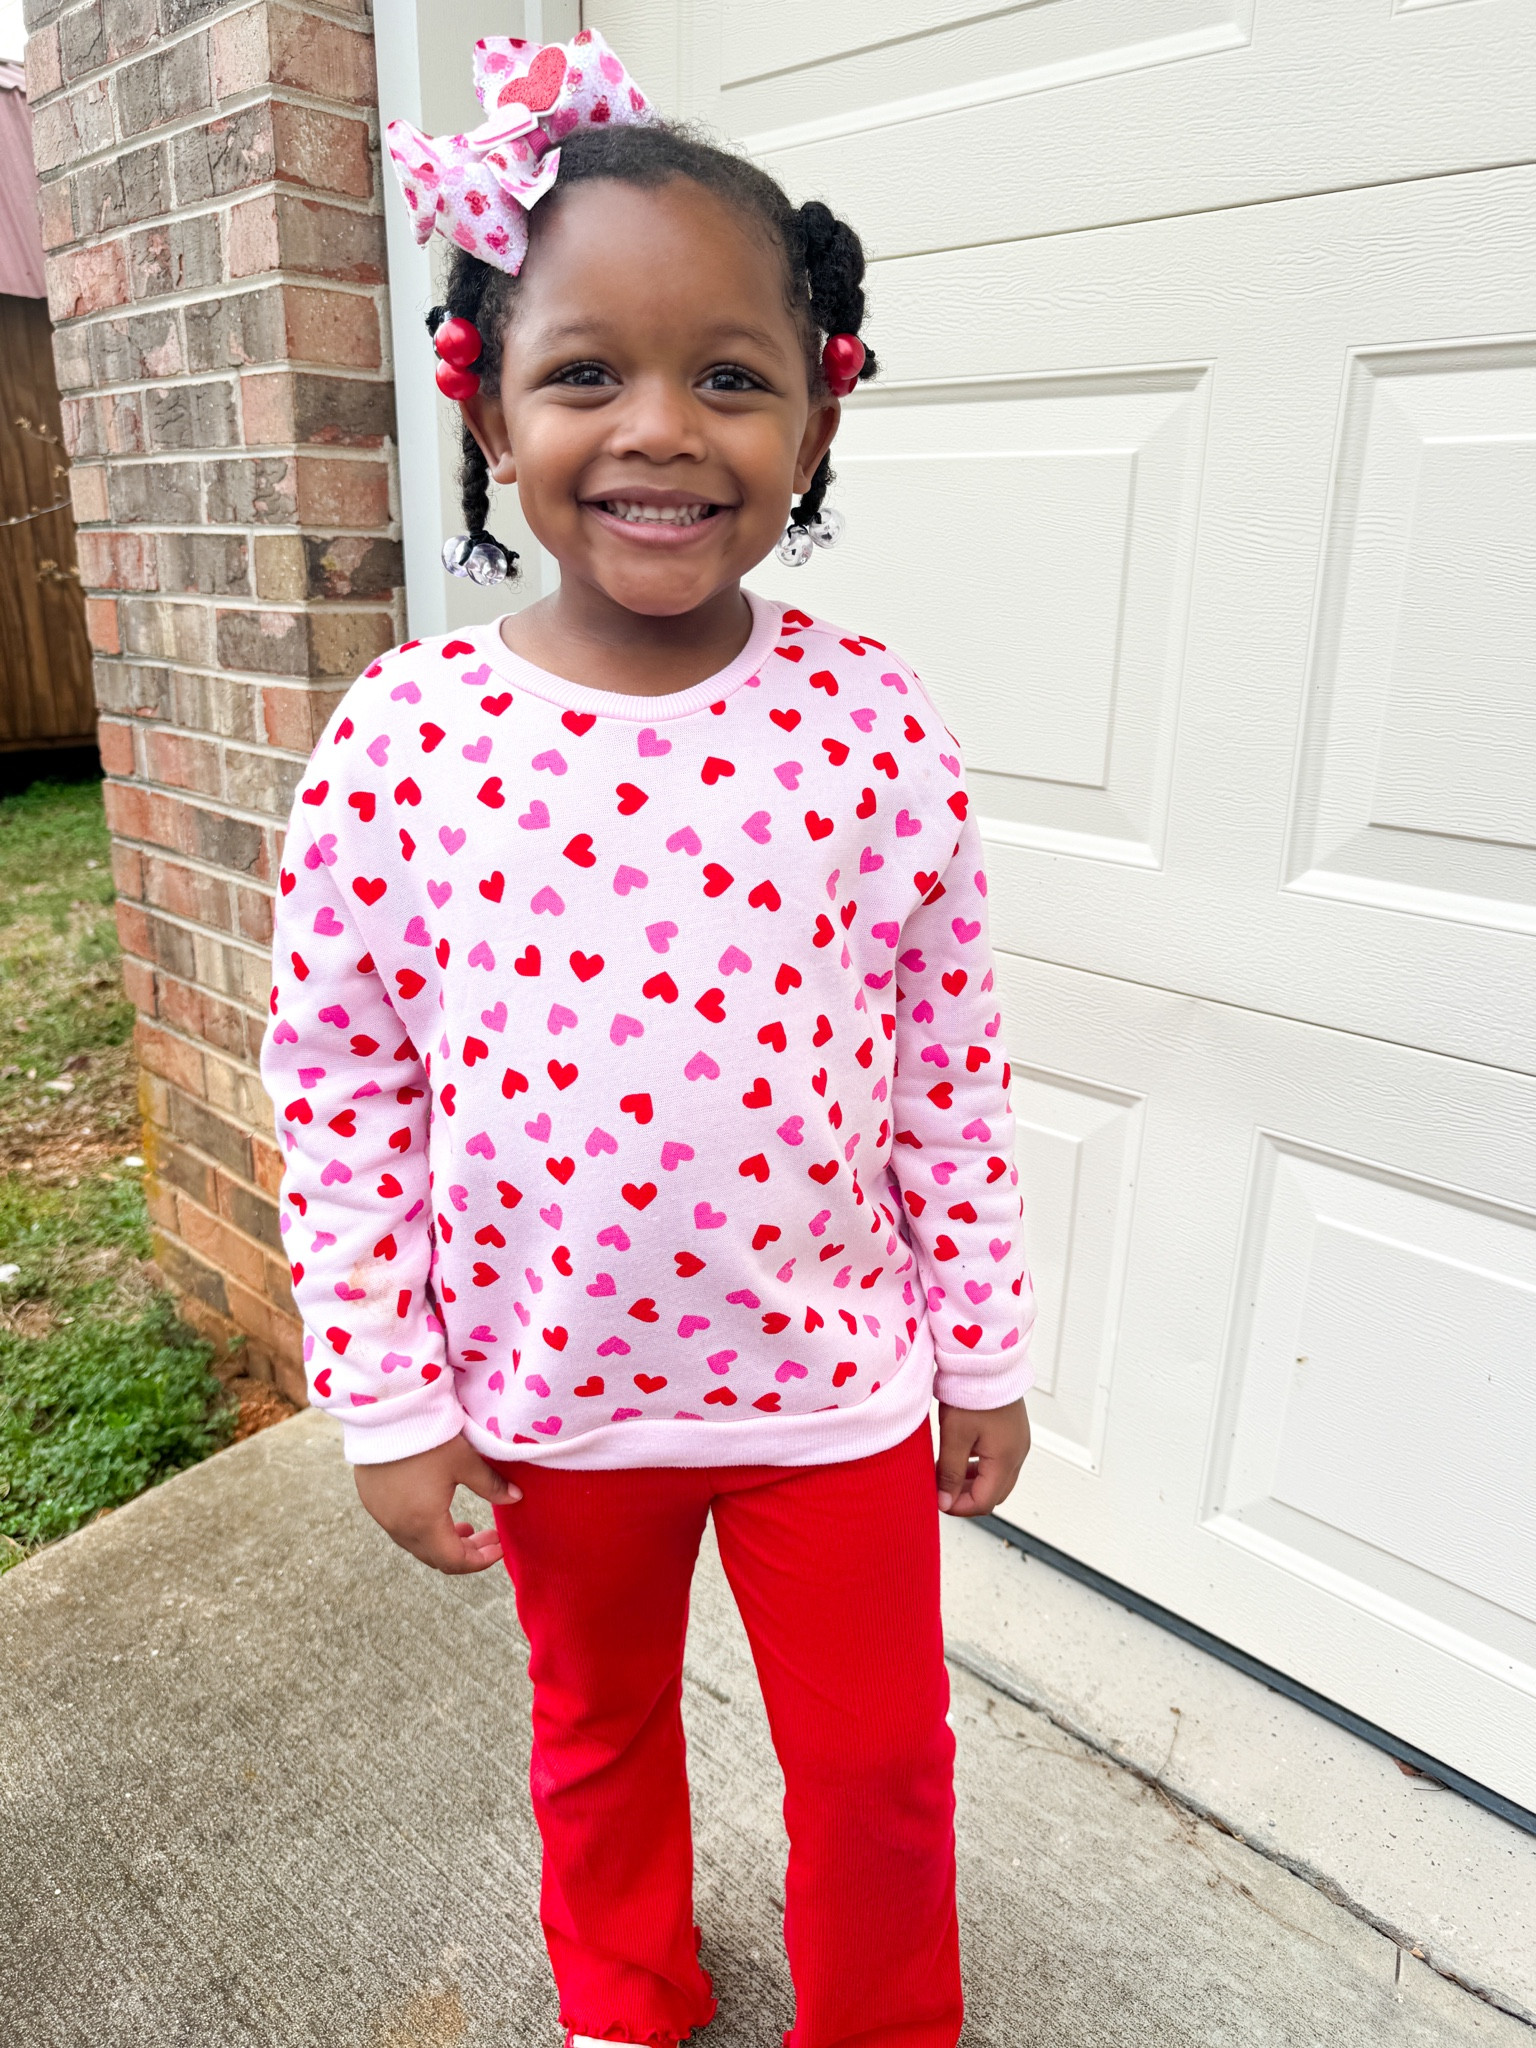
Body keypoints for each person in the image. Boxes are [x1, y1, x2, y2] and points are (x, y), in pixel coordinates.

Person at [261, 31, 1035, 2048]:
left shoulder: (875, 722)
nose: (660, 430)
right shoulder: (407, 744)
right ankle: (625, 1995)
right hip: (554, 1394)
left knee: (877, 1764)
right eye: (586, 370)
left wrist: (988, 1352)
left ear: (818, 412)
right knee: (598, 1733)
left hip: (829, 1389)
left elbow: (949, 1064)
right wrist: (393, 1396)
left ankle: (883, 2021)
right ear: (487, 404)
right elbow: (342, 1096)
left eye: (730, 373)